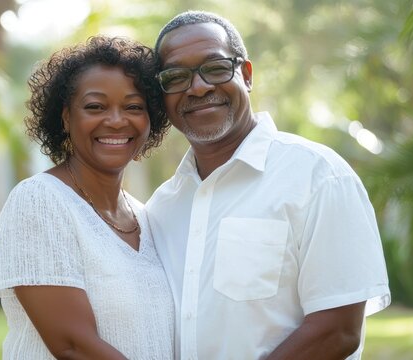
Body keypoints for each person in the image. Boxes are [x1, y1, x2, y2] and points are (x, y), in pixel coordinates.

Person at [145, 10, 391, 360]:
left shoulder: (318, 176)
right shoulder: (162, 207)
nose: (198, 87)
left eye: (215, 68)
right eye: (176, 77)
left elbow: (338, 330)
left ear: (246, 74)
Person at [0, 35, 174, 359]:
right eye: (96, 106)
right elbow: (73, 346)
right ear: (67, 117)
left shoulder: (147, 218)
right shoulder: (39, 202)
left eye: (133, 107)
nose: (115, 120)